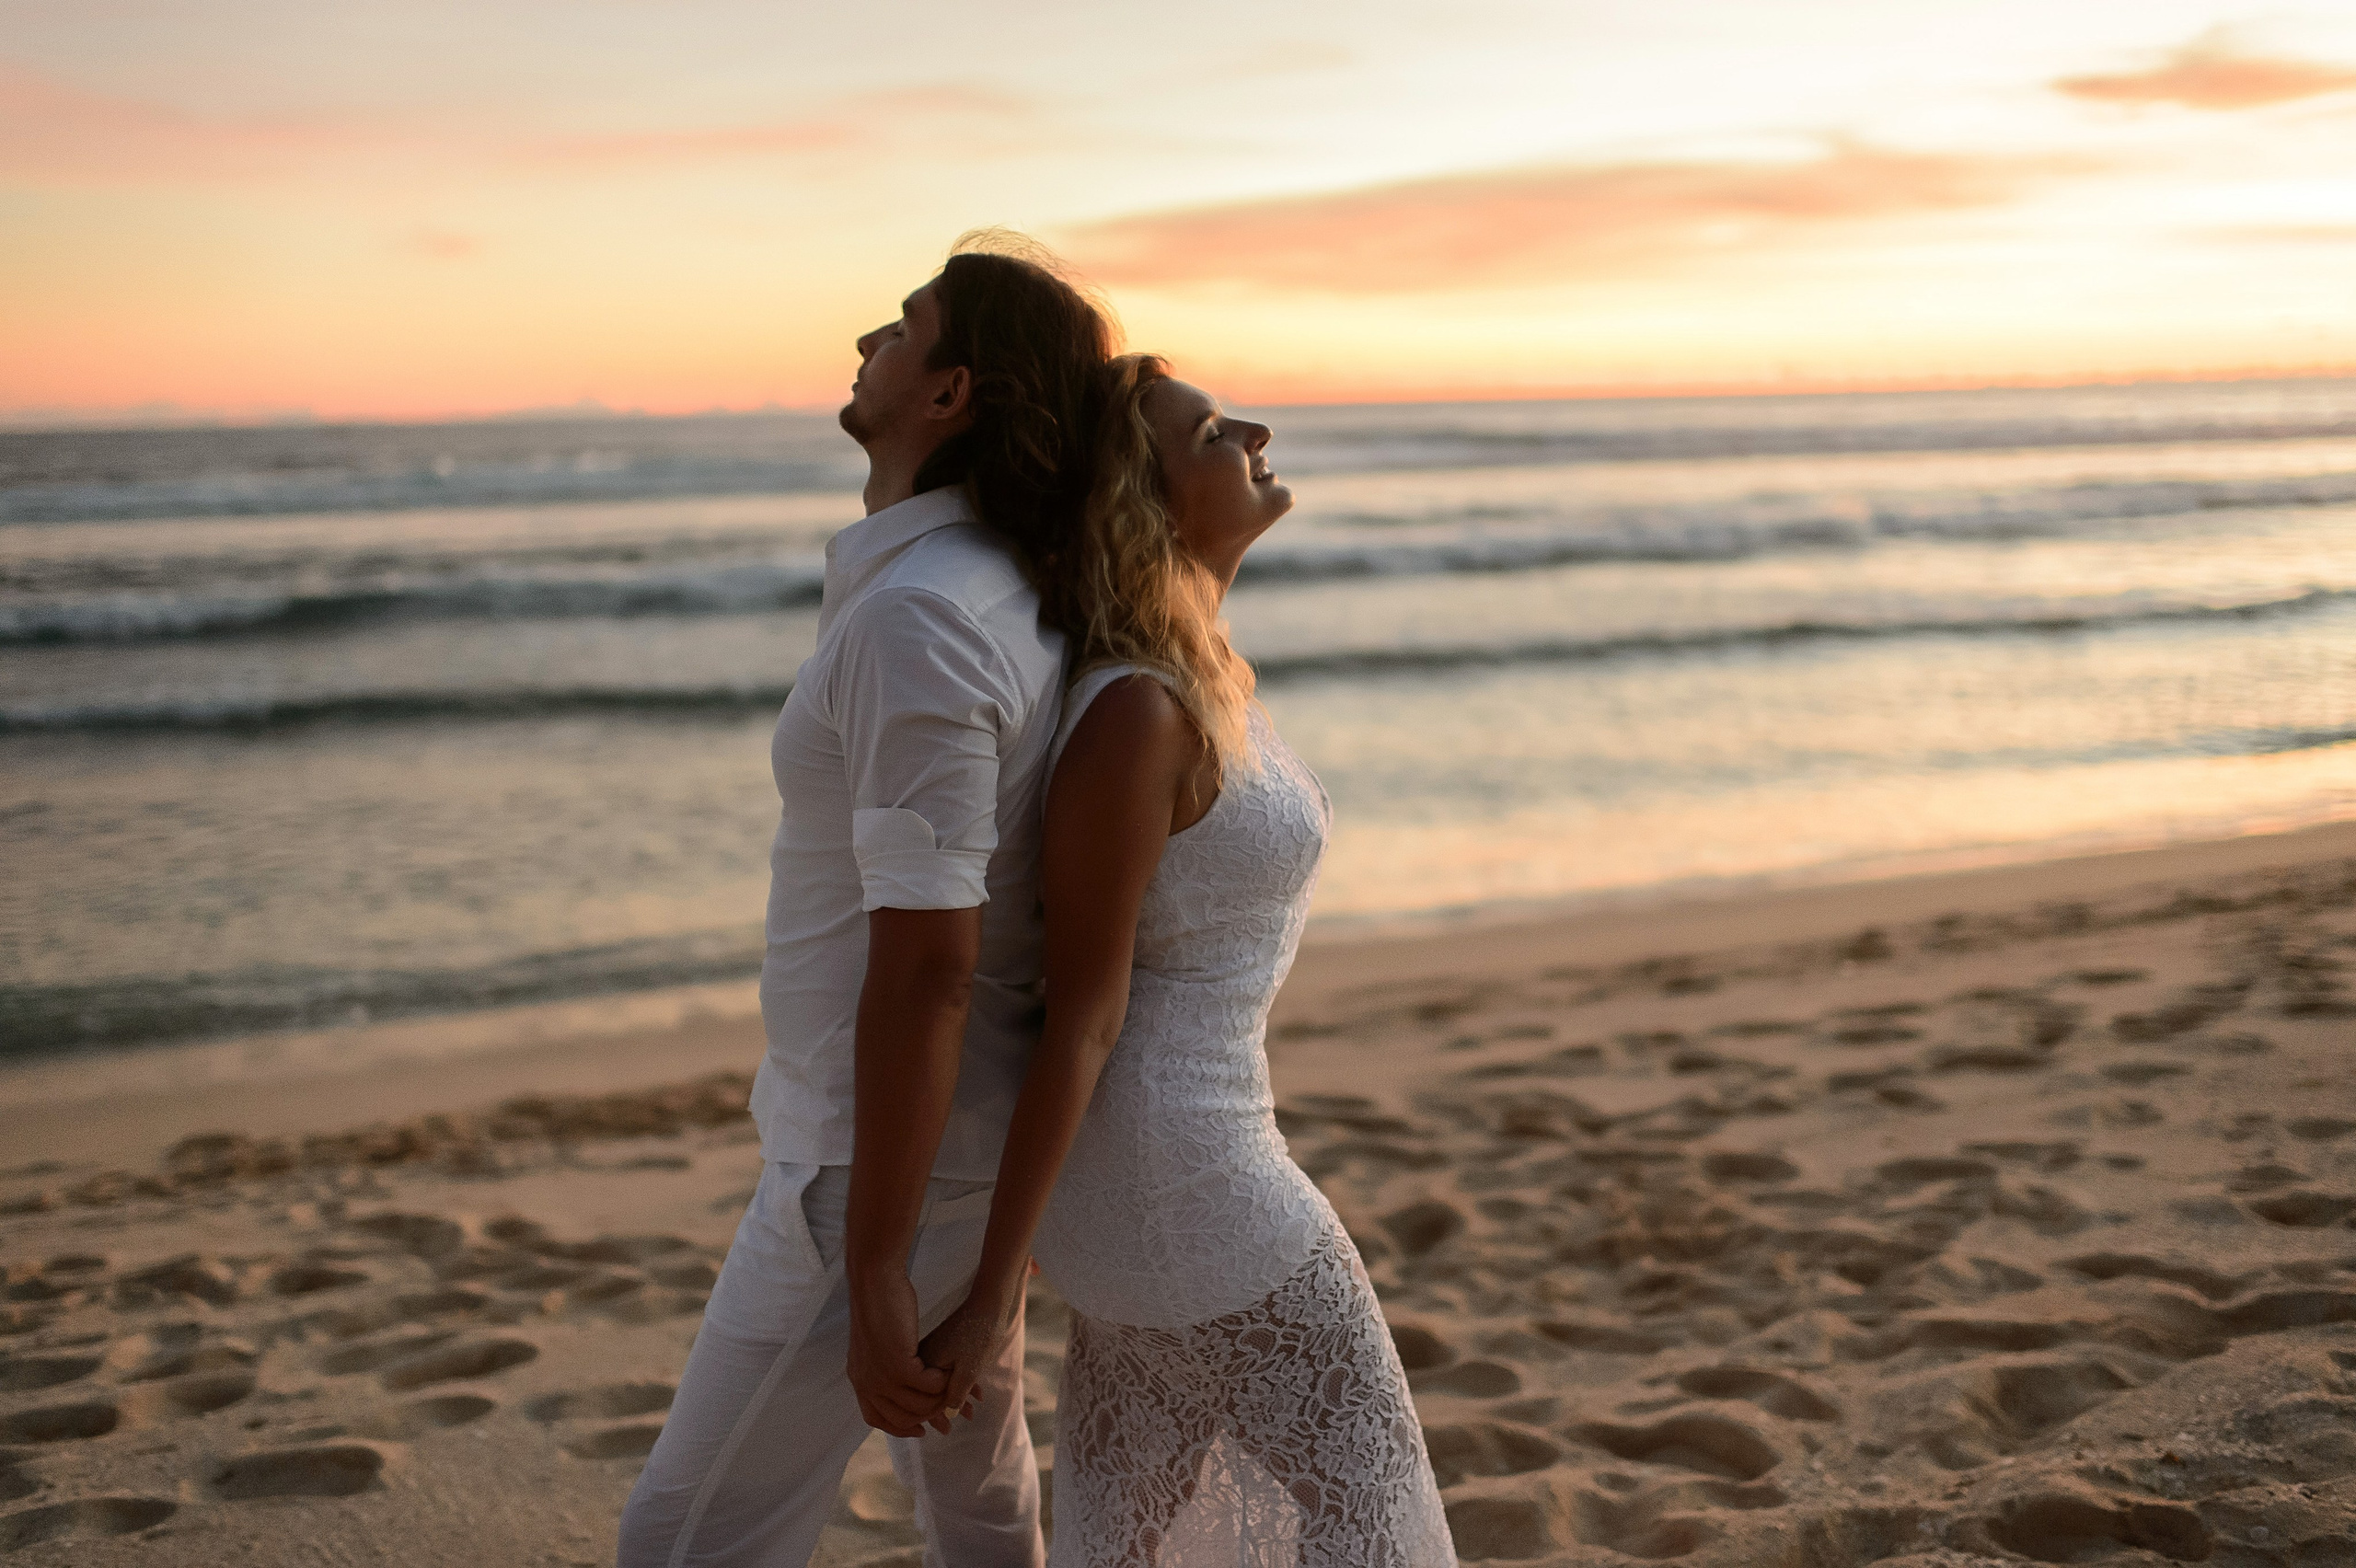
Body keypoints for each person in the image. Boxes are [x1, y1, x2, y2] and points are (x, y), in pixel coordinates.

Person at [618, 237, 1114, 1568]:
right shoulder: (1002, 596)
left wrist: (881, 1258)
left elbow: (931, 964)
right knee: (976, 1482)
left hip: (872, 1168)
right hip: (956, 1151)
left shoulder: (926, 621)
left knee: (685, 1536)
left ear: (949, 393)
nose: (864, 345)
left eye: (900, 328)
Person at [917, 355, 1457, 1566]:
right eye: (1215, 431)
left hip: (1145, 1189)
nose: (1257, 431)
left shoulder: (1181, 677)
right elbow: (1080, 1011)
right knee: (1369, 1503)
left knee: (1131, 1529)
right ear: (1142, 503)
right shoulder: (1137, 710)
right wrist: (997, 1286)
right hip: (1193, 1182)